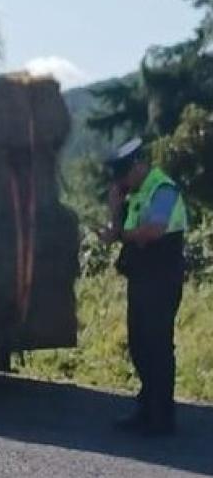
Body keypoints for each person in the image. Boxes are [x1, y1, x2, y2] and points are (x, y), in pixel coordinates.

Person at [98, 137, 188, 437]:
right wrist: (114, 210)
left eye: (123, 174)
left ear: (138, 166)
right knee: (139, 344)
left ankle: (162, 417)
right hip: (142, 278)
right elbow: (119, 233)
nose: (121, 181)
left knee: (157, 346)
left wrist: (122, 234)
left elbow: (154, 230)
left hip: (162, 277)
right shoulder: (135, 194)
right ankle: (146, 407)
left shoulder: (162, 189)